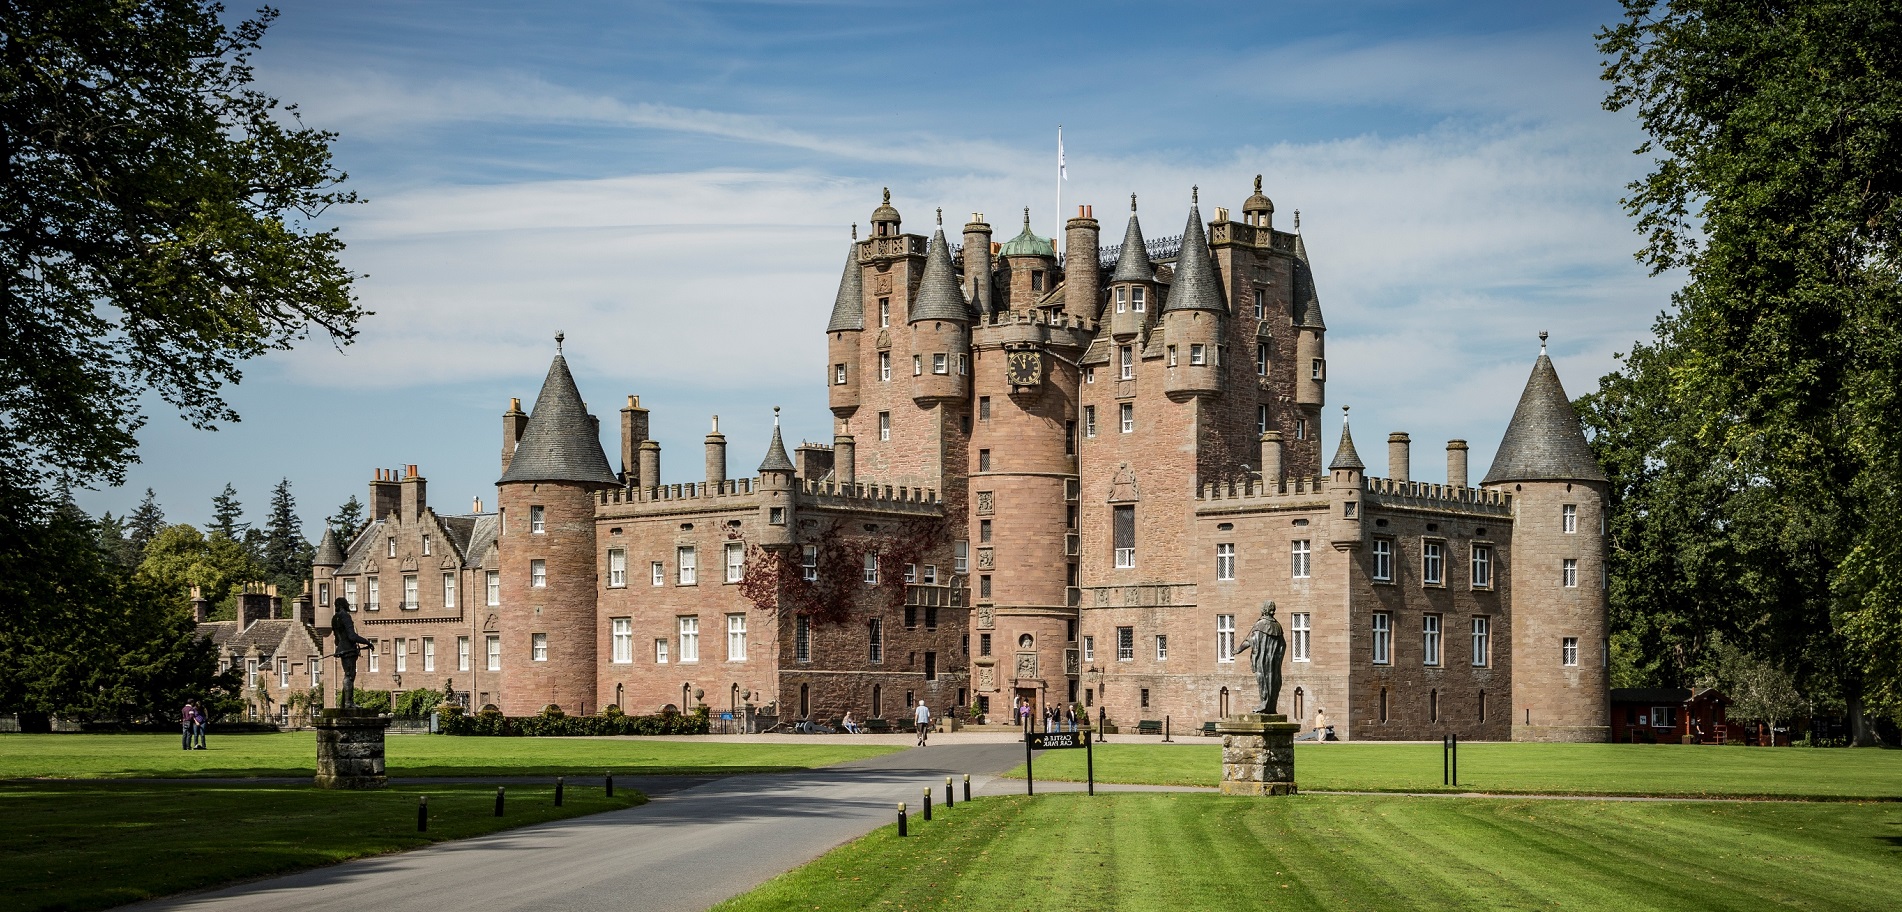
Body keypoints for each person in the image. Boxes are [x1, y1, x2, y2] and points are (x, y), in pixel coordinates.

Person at [1229, 600, 1287, 715]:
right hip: (1274, 661)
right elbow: (1283, 645)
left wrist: (1238, 650)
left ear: (1264, 609)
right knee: (1273, 681)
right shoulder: (1277, 626)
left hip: (1263, 659)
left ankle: (1264, 704)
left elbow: (1252, 640)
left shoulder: (1261, 624)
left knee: (1263, 680)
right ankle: (1271, 706)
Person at [329, 597, 374, 709]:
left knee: (347, 674)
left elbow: (336, 640)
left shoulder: (335, 618)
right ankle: (349, 703)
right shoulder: (345, 616)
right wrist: (367, 642)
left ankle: (345, 703)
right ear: (344, 605)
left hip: (342, 649)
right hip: (348, 649)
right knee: (350, 675)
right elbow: (352, 636)